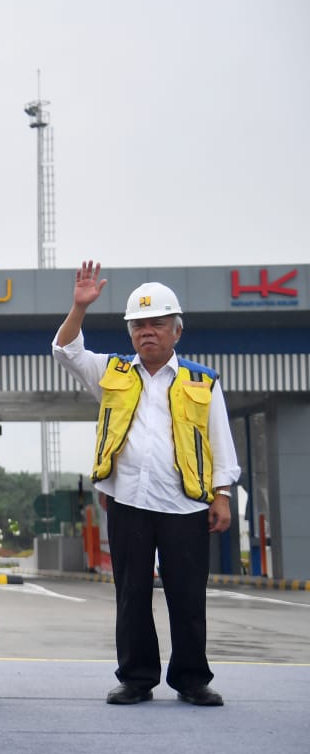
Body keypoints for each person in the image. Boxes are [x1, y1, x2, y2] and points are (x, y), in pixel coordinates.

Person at [53, 261, 239, 707]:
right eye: (138, 325)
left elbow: (220, 441)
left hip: (186, 505)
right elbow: (66, 351)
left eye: (156, 323)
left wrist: (223, 495)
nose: (146, 332)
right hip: (128, 501)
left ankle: (192, 679)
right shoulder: (112, 372)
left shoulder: (202, 380)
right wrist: (79, 307)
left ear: (177, 331)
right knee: (131, 593)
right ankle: (136, 678)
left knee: (187, 595)